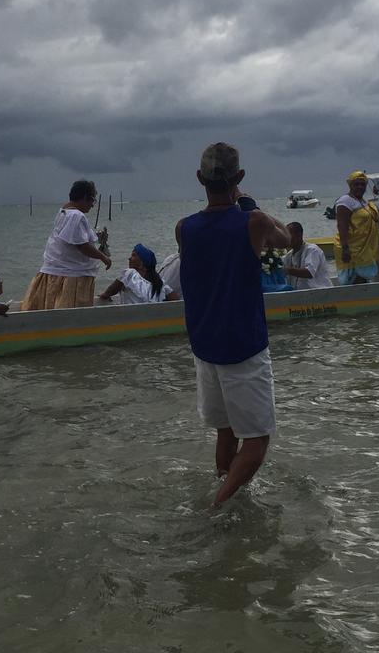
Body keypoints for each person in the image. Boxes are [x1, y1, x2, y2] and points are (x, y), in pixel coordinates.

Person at [176, 142, 292, 508]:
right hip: (242, 345)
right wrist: (249, 202)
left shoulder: (184, 228)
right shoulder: (252, 221)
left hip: (205, 345)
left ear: (199, 179)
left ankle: (225, 492)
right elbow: (286, 239)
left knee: (225, 431)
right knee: (257, 441)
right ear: (238, 178)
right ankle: (217, 507)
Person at [22, 180, 112, 310]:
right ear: (85, 197)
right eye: (93, 201)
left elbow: (71, 238)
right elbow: (83, 246)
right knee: (71, 314)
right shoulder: (77, 216)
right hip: (70, 277)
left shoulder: (63, 212)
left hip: (54, 272)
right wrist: (104, 258)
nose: (92, 206)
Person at [334, 170, 379, 284]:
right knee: (354, 278)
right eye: (356, 184)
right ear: (350, 185)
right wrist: (345, 248)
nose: (360, 187)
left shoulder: (363, 202)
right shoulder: (345, 201)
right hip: (352, 248)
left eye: (363, 184)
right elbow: (342, 225)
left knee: (364, 278)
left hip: (365, 248)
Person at [98, 244, 178, 304]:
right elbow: (176, 300)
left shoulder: (130, 273)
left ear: (142, 263)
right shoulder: (160, 283)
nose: (129, 258)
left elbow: (112, 290)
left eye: (133, 255)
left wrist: (104, 295)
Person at [281, 222, 331, 290]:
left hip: (319, 294)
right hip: (299, 296)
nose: (286, 238)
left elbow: (309, 273)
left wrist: (287, 270)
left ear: (299, 235)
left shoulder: (312, 250)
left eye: (288, 235)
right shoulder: (288, 256)